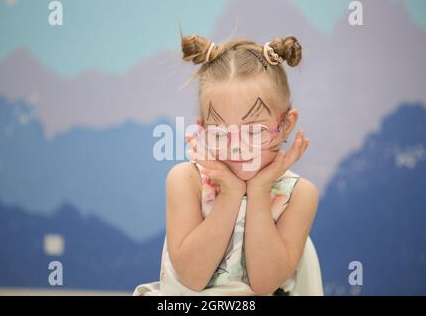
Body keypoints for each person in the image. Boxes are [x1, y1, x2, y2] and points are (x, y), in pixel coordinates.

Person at [133, 31, 318, 296]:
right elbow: (192, 278)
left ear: (286, 125)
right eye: (219, 133)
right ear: (203, 130)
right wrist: (231, 193)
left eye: (254, 131)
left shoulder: (299, 195)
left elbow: (265, 284)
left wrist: (258, 191)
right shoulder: (186, 180)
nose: (236, 146)